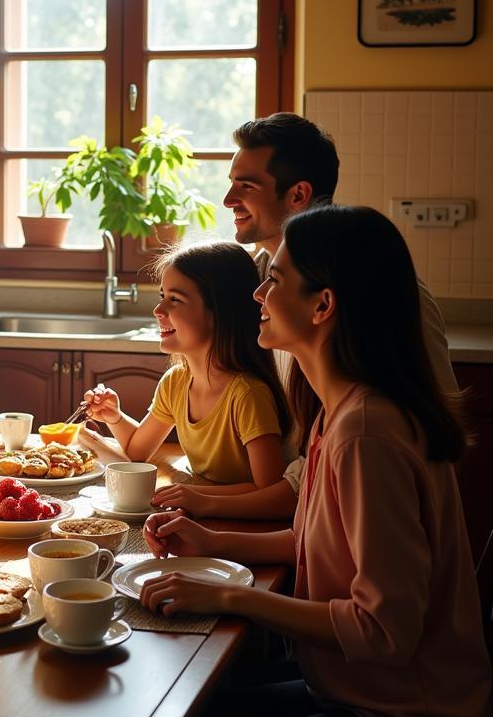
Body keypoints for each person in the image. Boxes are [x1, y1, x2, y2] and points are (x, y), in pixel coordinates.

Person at [130, 206, 491, 717]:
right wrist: (211, 539)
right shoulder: (341, 410)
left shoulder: (366, 433)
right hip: (355, 692)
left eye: (275, 278)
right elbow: (311, 536)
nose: (258, 292)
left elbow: (383, 631)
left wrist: (230, 597)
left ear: (322, 305)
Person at [154, 111, 457, 519]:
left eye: (246, 186)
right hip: (292, 516)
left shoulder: (383, 292)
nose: (227, 200)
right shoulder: (256, 278)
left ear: (297, 195)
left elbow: (426, 432)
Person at [84, 241, 290, 500]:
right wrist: (114, 417)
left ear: (219, 313)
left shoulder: (247, 395)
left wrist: (194, 494)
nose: (158, 310)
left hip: (237, 525)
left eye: (175, 300)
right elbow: (137, 452)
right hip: (199, 513)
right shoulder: (177, 382)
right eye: (162, 297)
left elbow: (270, 490)